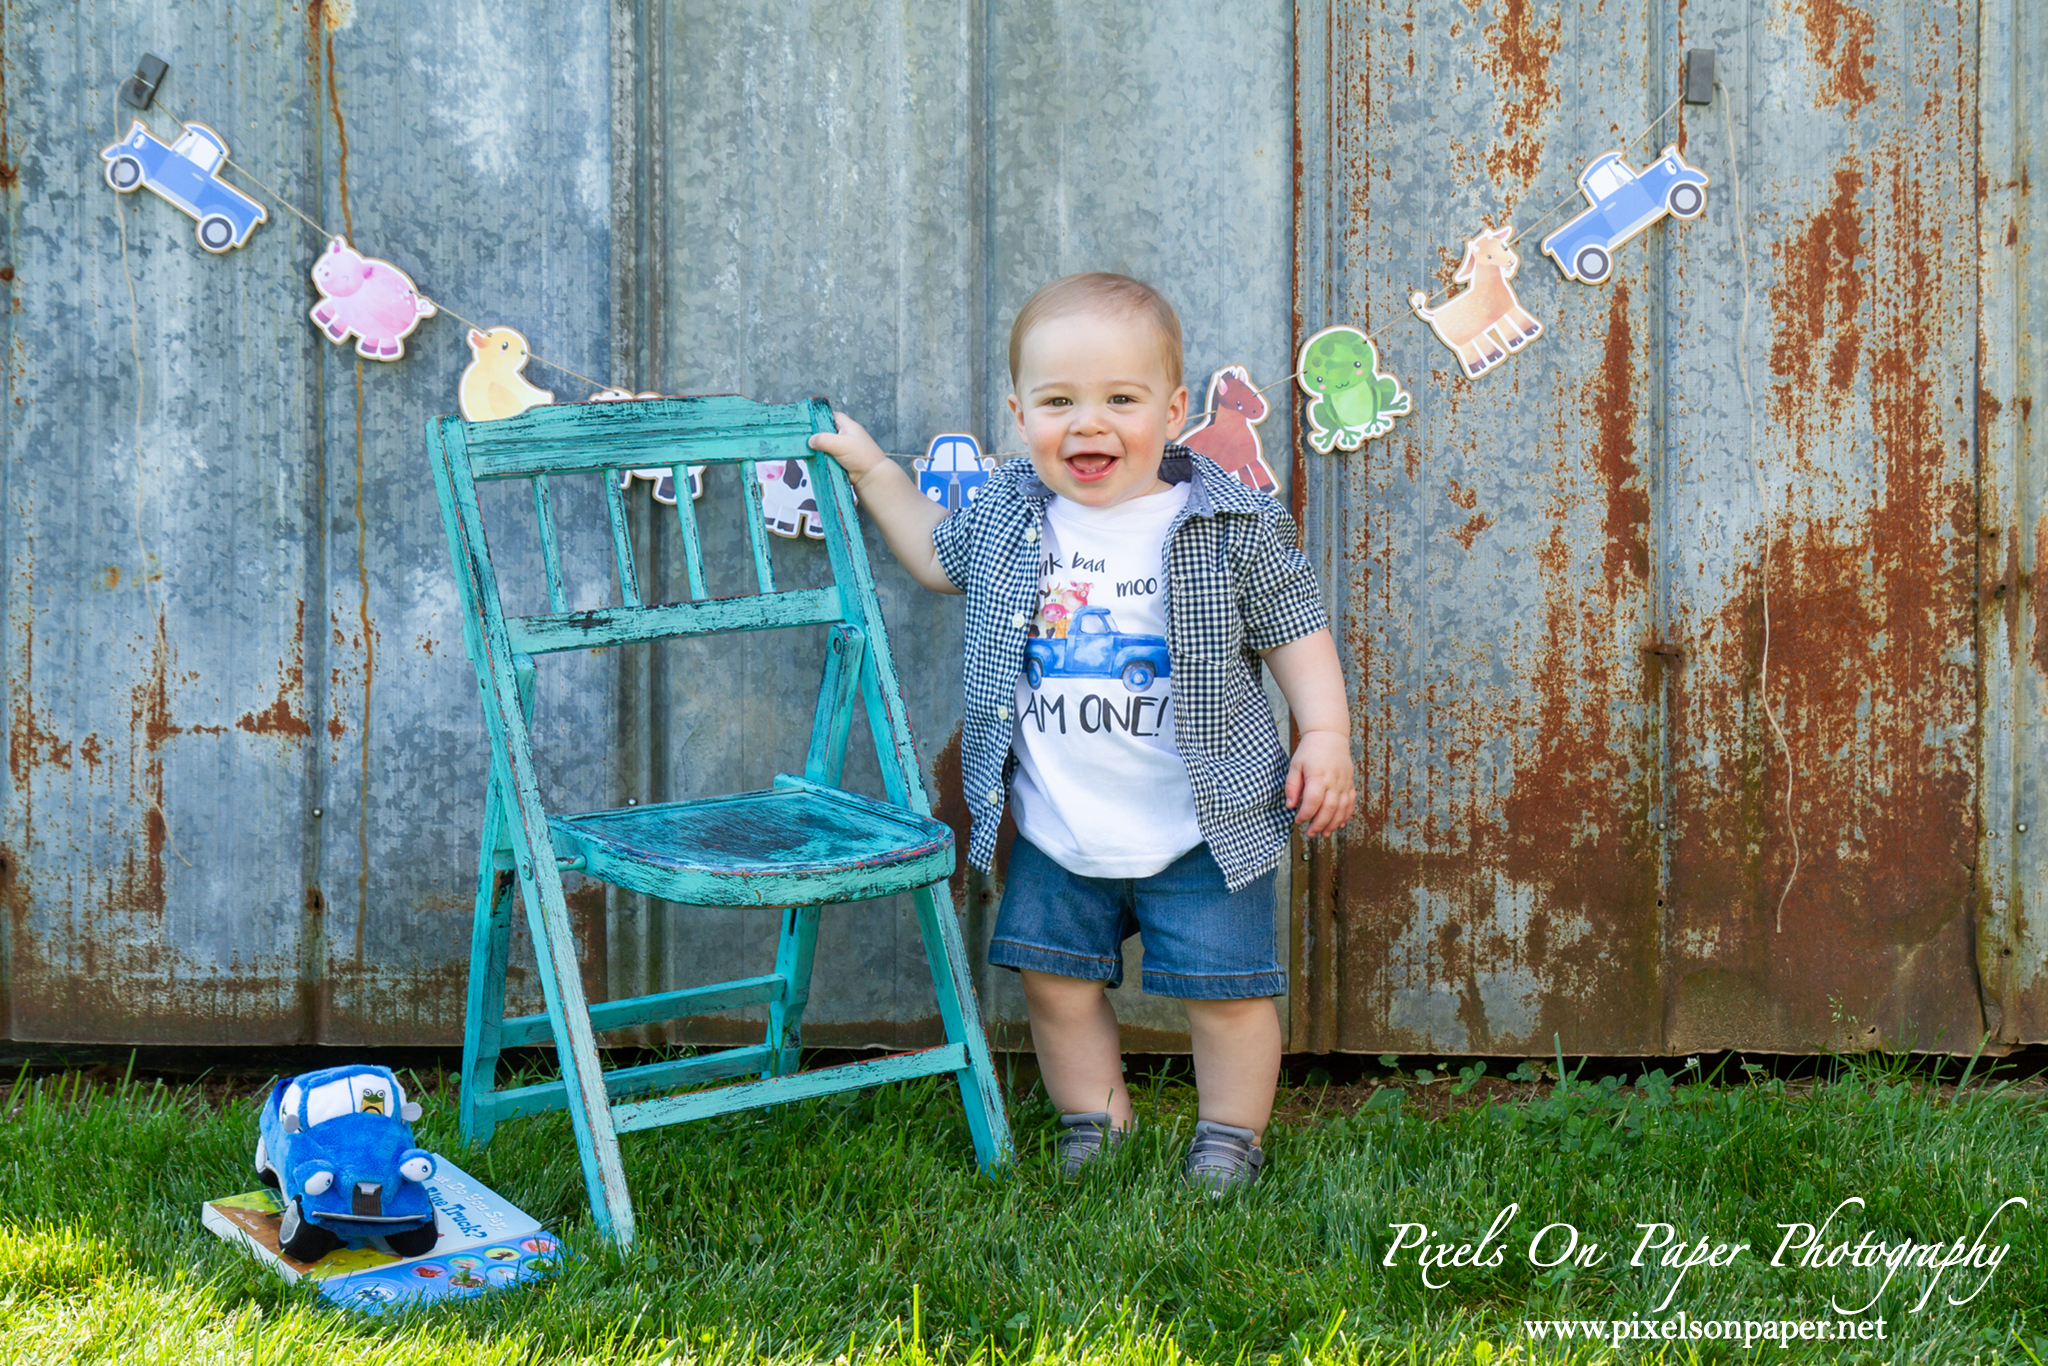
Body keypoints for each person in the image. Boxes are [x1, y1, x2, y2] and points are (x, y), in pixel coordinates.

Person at [810, 272, 1355, 1191]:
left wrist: (1326, 734)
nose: (1089, 424)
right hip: (1058, 822)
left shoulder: (1227, 522)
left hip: (1205, 822)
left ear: (1174, 410)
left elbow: (1296, 628)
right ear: (1019, 415)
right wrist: (874, 473)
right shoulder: (1011, 514)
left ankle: (1229, 1136)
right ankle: (1094, 1123)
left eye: (1121, 400)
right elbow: (936, 559)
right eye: (1059, 401)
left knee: (1229, 996)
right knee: (1057, 986)